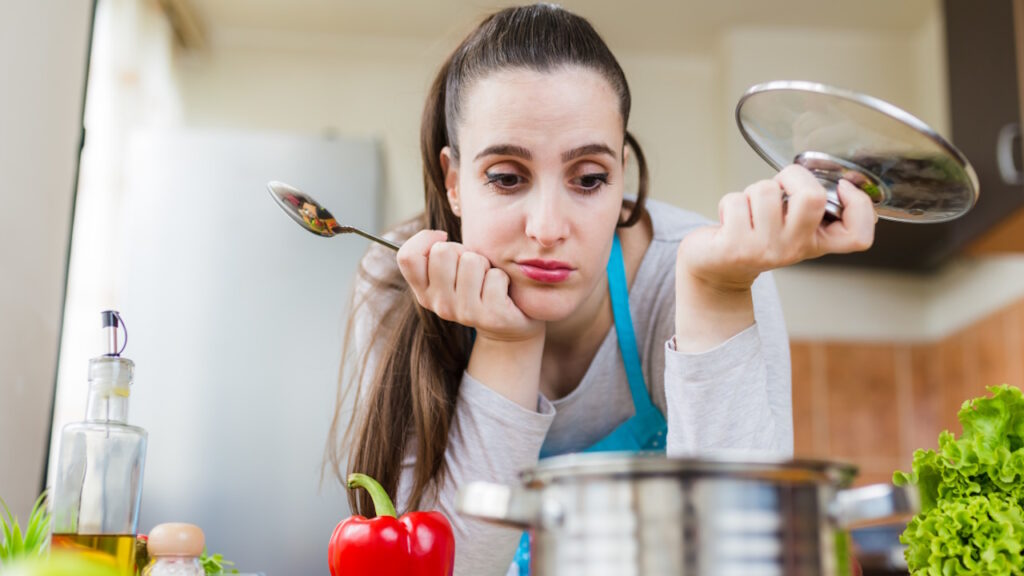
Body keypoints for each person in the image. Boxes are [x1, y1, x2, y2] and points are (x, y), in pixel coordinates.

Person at [325, 4, 876, 575]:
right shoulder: (395, 283)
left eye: (588, 179)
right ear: (454, 182)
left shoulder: (698, 272)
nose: (546, 227)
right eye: (507, 178)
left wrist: (717, 294)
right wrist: (506, 344)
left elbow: (754, 563)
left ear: (621, 177)